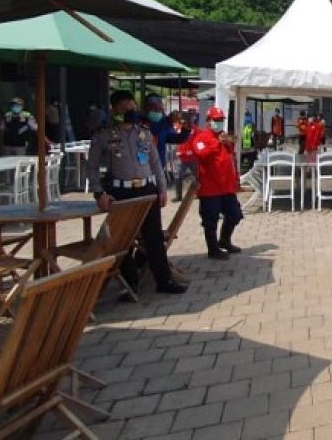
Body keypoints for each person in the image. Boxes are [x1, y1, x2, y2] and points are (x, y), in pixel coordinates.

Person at [88, 90, 186, 295]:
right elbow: (92, 167)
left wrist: (161, 188)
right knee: (122, 239)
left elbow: (155, 163)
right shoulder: (104, 135)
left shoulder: (144, 132)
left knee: (154, 238)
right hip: (120, 193)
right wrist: (99, 193)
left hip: (147, 190)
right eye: (124, 109)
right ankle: (129, 284)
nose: (129, 112)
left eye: (132, 108)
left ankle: (164, 280)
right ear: (113, 110)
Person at [178, 106, 243, 261]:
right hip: (210, 188)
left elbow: (230, 158)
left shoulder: (223, 137)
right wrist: (217, 143)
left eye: (221, 120)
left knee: (235, 215)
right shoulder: (201, 137)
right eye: (216, 120)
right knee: (210, 220)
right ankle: (213, 249)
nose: (219, 123)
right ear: (208, 121)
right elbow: (201, 154)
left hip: (226, 187)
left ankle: (225, 240)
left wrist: (228, 143)